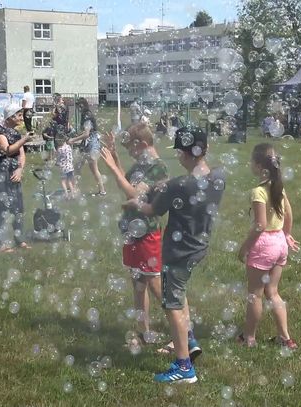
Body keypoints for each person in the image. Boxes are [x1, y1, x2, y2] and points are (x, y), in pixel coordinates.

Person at [123, 126, 225, 384]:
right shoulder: (217, 177)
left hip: (177, 252)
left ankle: (184, 368)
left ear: (182, 154)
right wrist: (167, 184)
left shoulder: (179, 185)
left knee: (173, 306)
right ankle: (188, 339)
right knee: (179, 296)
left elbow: (151, 210)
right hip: (198, 246)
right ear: (205, 149)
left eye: (179, 152)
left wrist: (136, 202)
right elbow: (190, 186)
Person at [100, 122, 168, 341]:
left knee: (154, 283)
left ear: (143, 144)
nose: (129, 152)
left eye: (130, 148)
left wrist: (111, 167)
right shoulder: (140, 164)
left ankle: (184, 332)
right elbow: (126, 182)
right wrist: (115, 156)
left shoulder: (157, 167)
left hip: (147, 232)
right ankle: (144, 331)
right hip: (133, 231)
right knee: (138, 284)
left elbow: (134, 195)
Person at [236, 143, 300, 349]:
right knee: (272, 292)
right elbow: (288, 215)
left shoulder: (258, 191)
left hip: (263, 245)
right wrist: (286, 235)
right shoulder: (279, 186)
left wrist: (245, 247)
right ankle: (285, 337)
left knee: (255, 293)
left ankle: (249, 337)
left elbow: (260, 224)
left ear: (258, 165)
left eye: (251, 161)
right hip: (279, 244)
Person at [0, 104, 32, 252]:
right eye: (19, 115)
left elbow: (21, 154)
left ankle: (20, 239)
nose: (21, 118)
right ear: (11, 116)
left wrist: (20, 169)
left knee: (18, 207)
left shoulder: (15, 133)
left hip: (13, 173)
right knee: (1, 206)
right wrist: (25, 139)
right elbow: (7, 150)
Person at [68, 98, 106, 196]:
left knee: (93, 168)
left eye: (79, 106)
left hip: (92, 144)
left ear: (83, 105)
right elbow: (87, 132)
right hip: (88, 143)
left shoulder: (87, 115)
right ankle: (74, 189)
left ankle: (102, 191)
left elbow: (86, 134)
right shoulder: (85, 115)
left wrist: (73, 140)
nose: (78, 109)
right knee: (77, 166)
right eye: (77, 107)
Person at [55, 133, 76, 199]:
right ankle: (72, 194)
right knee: (69, 181)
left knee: (63, 181)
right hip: (70, 167)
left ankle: (66, 194)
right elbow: (70, 156)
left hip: (64, 168)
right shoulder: (69, 147)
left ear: (60, 141)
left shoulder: (60, 149)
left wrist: (57, 163)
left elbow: (58, 158)